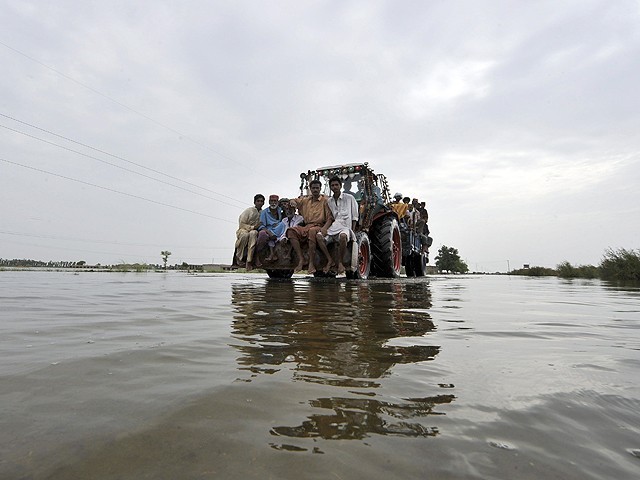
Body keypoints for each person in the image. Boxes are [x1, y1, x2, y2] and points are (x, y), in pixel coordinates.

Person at [288, 179, 333, 274]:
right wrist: (292, 202)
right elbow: (295, 200)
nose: (315, 190)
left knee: (312, 231)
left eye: (317, 188)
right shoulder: (306, 200)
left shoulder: (326, 200)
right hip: (307, 226)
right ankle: (301, 259)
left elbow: (330, 217)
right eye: (313, 188)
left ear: (320, 189)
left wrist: (325, 228)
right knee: (291, 230)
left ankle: (311, 263)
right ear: (310, 189)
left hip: (319, 226)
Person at [324, 176, 359, 275]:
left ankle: (340, 262)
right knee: (319, 237)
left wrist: (352, 231)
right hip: (334, 227)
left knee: (343, 237)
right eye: (332, 185)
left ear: (340, 186)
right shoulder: (329, 201)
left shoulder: (349, 198)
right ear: (330, 187)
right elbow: (331, 217)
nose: (334, 187)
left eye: (336, 185)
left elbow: (355, 216)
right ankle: (329, 260)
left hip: (345, 227)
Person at [235, 194, 265, 270]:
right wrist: (252, 227)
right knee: (245, 236)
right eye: (258, 201)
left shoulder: (263, 213)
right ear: (255, 202)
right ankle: (239, 258)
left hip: (254, 231)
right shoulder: (249, 211)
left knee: (253, 234)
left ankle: (249, 260)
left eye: (261, 201)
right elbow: (242, 223)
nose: (260, 203)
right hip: (243, 230)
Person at [256, 194, 284, 264]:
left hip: (278, 230)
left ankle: (273, 254)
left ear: (278, 202)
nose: (273, 203)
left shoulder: (280, 211)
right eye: (271, 201)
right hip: (268, 230)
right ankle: (257, 255)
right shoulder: (264, 212)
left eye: (275, 201)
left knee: (283, 224)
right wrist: (270, 233)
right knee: (262, 234)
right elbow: (262, 225)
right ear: (269, 202)